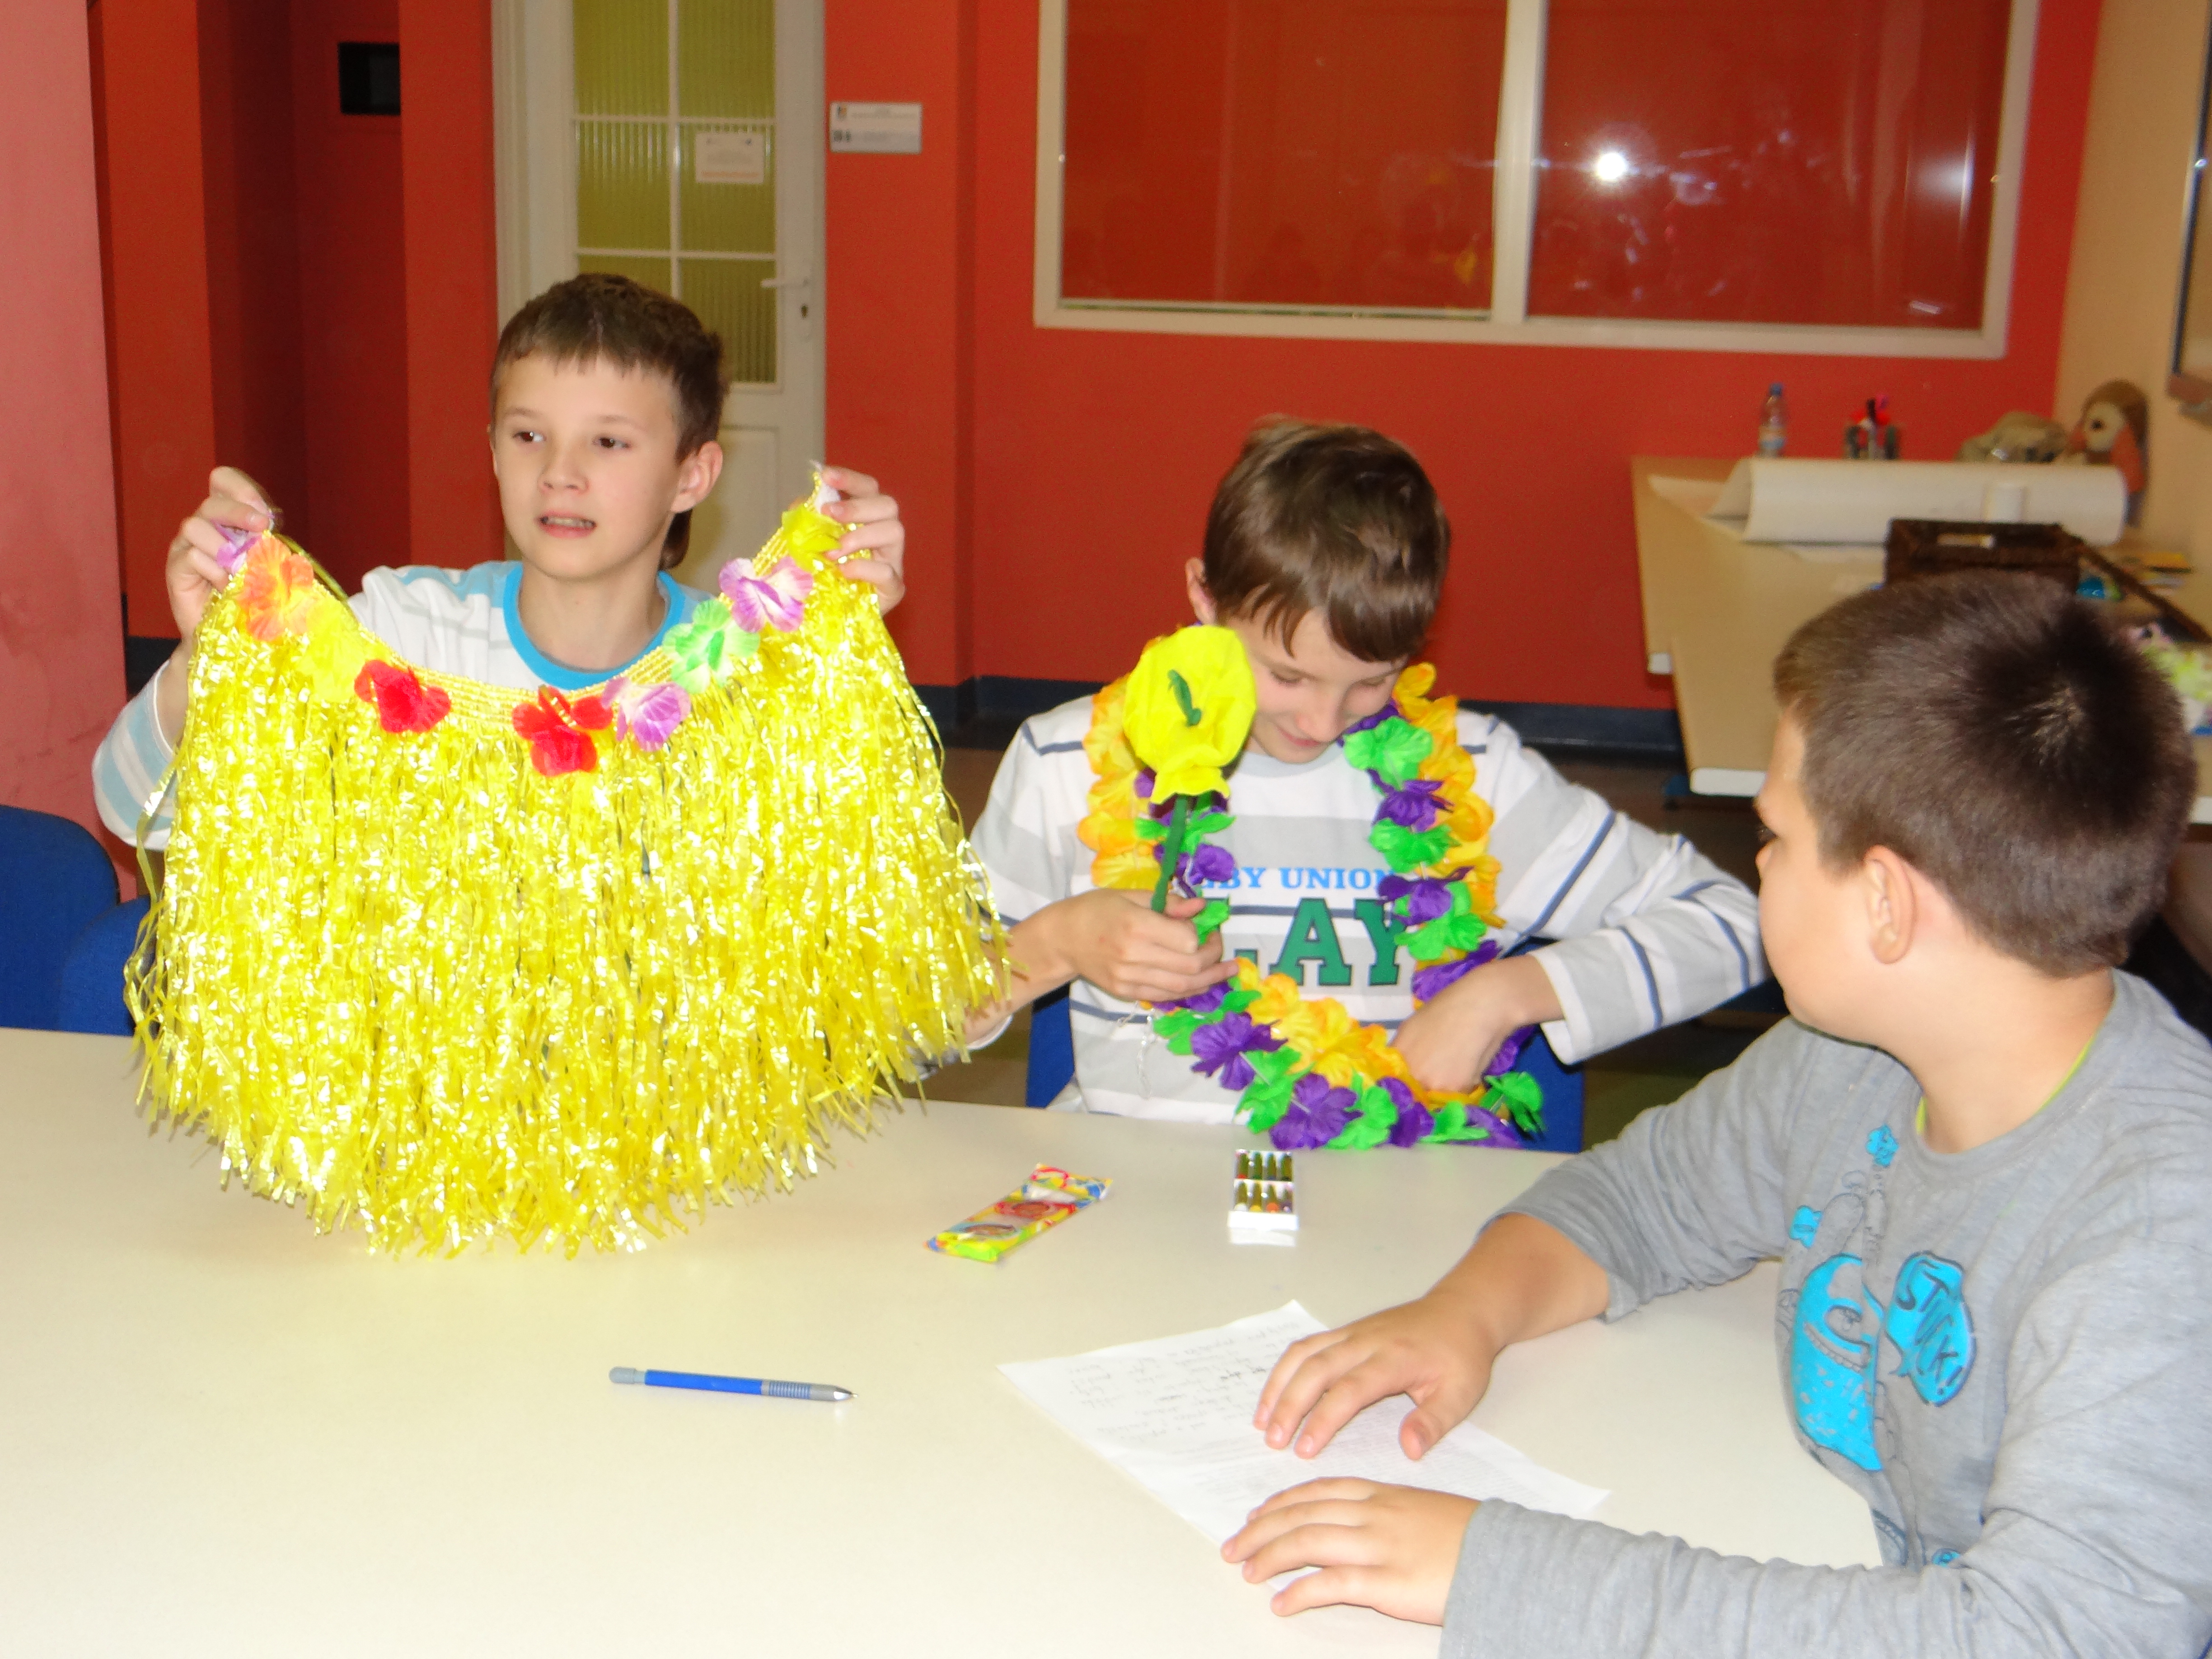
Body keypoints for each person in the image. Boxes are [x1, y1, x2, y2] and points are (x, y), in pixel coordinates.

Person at [1225, 572, 2212, 1656]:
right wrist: (1465, 1315)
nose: (1761, 863)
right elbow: (1638, 1201)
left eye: (1775, 837)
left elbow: (2046, 1637)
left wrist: (1503, 1572)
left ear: (1886, 903)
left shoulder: (2161, 1233)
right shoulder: (1858, 1055)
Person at [966, 419, 1762, 1118]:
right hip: (1141, 1194)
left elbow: (1734, 925)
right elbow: (914, 1035)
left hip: (1381, 1199)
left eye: (1372, 682)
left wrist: (1505, 995)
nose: (1321, 724)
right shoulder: (1067, 762)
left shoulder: (1473, 779)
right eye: (1286, 675)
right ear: (1205, 599)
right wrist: (1055, 944)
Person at [94, 273, 907, 844]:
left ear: (691, 476)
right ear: (492, 451)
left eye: (609, 442)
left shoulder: (741, 674)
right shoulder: (403, 635)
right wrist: (206, 658)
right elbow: (137, 815)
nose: (559, 472)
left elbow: (860, 903)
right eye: (529, 436)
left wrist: (844, 678)